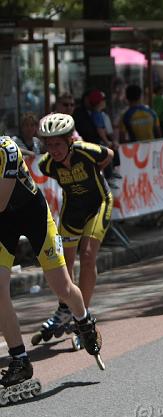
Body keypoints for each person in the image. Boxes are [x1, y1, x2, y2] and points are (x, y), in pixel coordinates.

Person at [0, 135, 104, 399]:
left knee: (62, 287)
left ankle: (84, 320)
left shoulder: (7, 149)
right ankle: (20, 360)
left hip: (32, 215)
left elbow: (1, 201)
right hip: (4, 224)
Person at [36, 113, 114, 351]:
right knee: (64, 263)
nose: (54, 150)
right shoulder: (47, 164)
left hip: (98, 204)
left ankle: (83, 320)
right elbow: (46, 168)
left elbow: (109, 155)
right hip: (73, 210)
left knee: (88, 256)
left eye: (58, 144)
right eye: (49, 145)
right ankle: (64, 309)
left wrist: (96, 172)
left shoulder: (85, 150)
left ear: (70, 140)